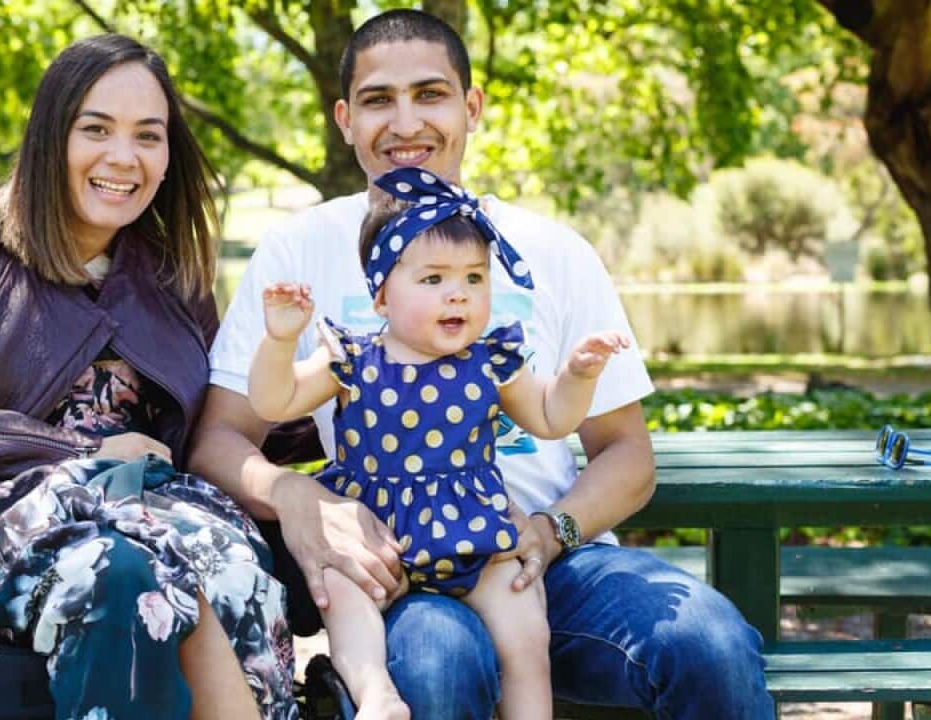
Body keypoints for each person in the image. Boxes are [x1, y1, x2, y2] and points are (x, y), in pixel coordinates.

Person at [189, 9, 774, 719]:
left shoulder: (552, 251)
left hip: (541, 561)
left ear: (471, 107)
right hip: (403, 563)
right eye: (378, 100)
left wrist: (550, 533)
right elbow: (219, 439)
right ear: (345, 119)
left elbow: (627, 455)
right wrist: (296, 497)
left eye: (430, 94)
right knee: (437, 661)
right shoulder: (299, 249)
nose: (405, 122)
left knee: (709, 642)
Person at [0, 34, 296, 720]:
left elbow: (226, 418)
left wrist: (356, 387)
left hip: (161, 513)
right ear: (50, 136)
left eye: (148, 136)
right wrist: (83, 453)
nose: (123, 157)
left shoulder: (174, 275)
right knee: (119, 573)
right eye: (96, 129)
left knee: (237, 571)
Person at [249, 166, 631, 720]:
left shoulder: (492, 361)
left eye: (474, 278)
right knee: (344, 595)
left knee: (526, 632)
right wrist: (280, 341)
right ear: (382, 296)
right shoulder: (350, 358)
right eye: (433, 280)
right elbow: (274, 400)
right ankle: (374, 693)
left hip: (474, 531)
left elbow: (552, 417)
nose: (458, 294)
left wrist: (577, 376)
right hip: (378, 538)